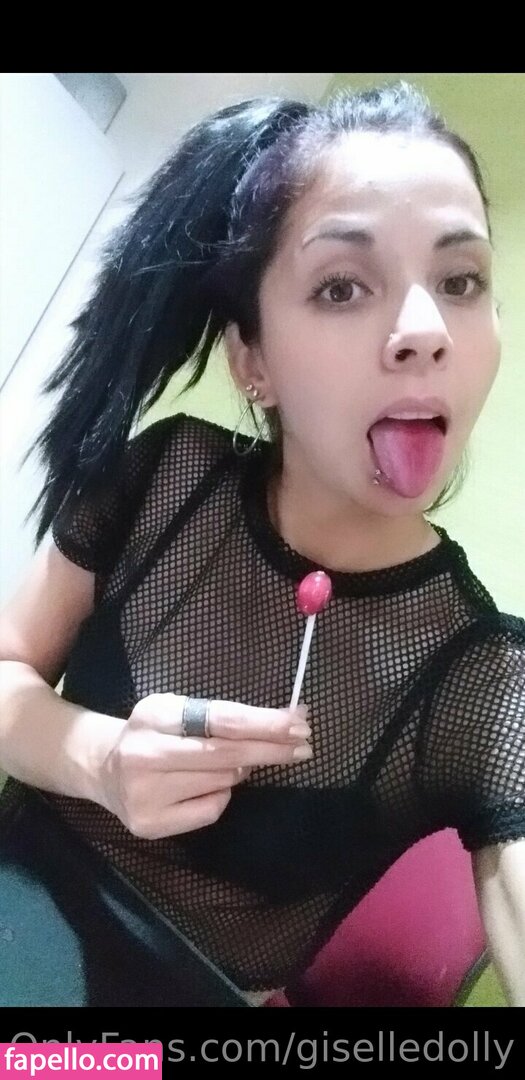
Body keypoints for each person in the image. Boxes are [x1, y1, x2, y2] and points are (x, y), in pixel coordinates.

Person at [0, 80, 524, 1008]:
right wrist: (101, 759)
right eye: (341, 287)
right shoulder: (164, 472)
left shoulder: (484, 683)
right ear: (254, 360)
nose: (424, 331)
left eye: (460, 281)